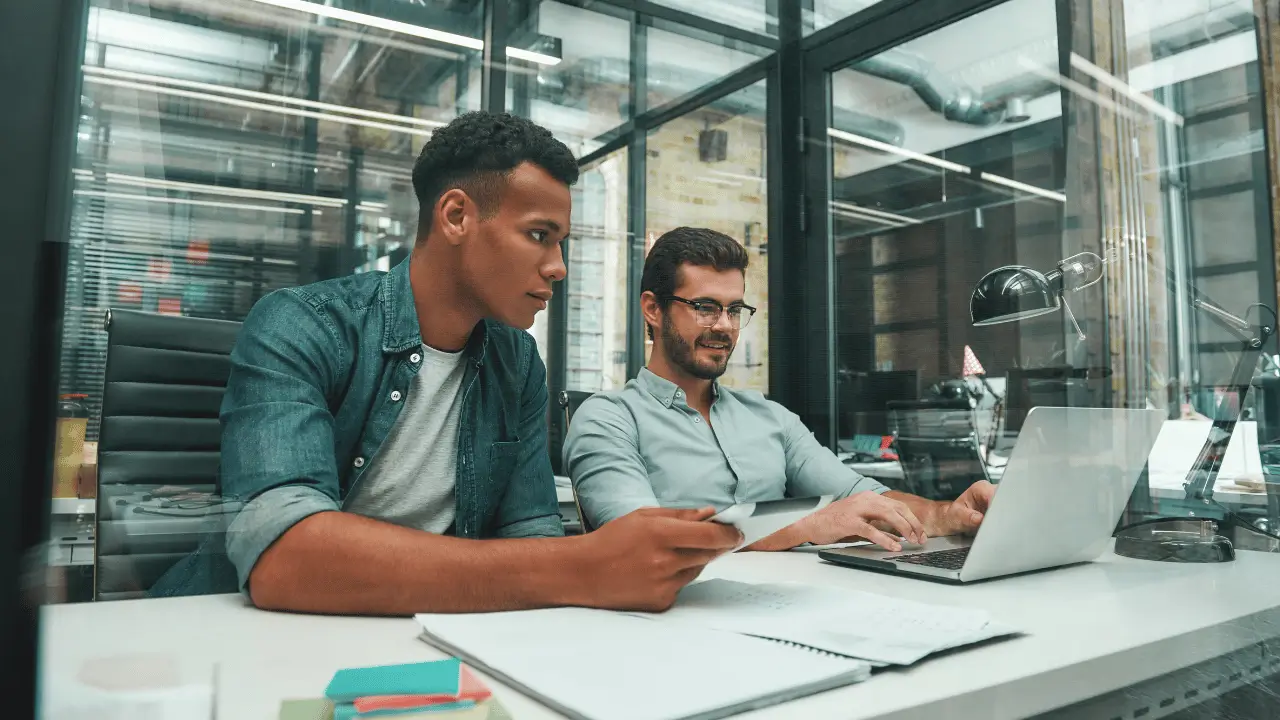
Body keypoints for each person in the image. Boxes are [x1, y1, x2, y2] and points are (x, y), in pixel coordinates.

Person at [219, 114, 740, 615]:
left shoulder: (517, 362)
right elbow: (282, 556)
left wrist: (578, 569)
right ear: (456, 216)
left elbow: (530, 534)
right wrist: (580, 567)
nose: (558, 267)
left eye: (562, 243)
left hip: (452, 633)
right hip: (284, 637)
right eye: (539, 235)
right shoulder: (304, 325)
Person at [564, 226, 996, 551]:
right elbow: (641, 538)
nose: (724, 326)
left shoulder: (768, 416)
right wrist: (805, 528)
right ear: (653, 309)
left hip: (788, 610)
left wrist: (948, 515)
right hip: (677, 627)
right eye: (705, 308)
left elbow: (862, 497)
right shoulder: (608, 419)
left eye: (735, 309)